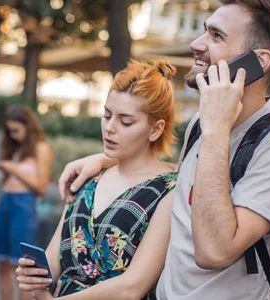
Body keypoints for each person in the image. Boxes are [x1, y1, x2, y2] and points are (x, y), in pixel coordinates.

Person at [55, 1, 270, 299]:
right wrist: (109, 159)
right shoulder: (202, 123)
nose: (196, 44)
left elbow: (214, 251)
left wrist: (217, 128)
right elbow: (187, 186)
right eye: (204, 31)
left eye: (216, 36)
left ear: (258, 61)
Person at [15, 60, 179, 300]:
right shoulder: (88, 178)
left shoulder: (170, 190)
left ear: (155, 130)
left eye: (126, 121)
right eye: (107, 115)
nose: (110, 128)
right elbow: (53, 260)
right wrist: (32, 277)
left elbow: (132, 287)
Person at [0, 105, 53, 300]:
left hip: (24, 204)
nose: (13, 135)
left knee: (22, 267)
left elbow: (41, 186)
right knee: (2, 263)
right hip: (6, 200)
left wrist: (14, 169)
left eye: (16, 130)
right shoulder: (15, 148)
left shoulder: (41, 148)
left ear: (28, 127)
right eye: (9, 131)